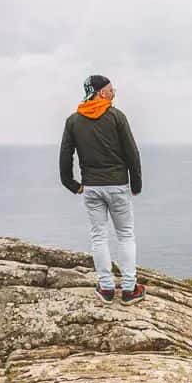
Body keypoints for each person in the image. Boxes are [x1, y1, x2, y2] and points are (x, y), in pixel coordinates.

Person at [59, 74, 146, 306]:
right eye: (110, 89)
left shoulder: (73, 121)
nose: (114, 92)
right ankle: (129, 290)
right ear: (101, 93)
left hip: (91, 188)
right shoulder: (116, 116)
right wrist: (136, 183)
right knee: (125, 235)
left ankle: (106, 288)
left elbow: (65, 156)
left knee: (99, 236)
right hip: (117, 185)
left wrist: (72, 184)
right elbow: (132, 152)